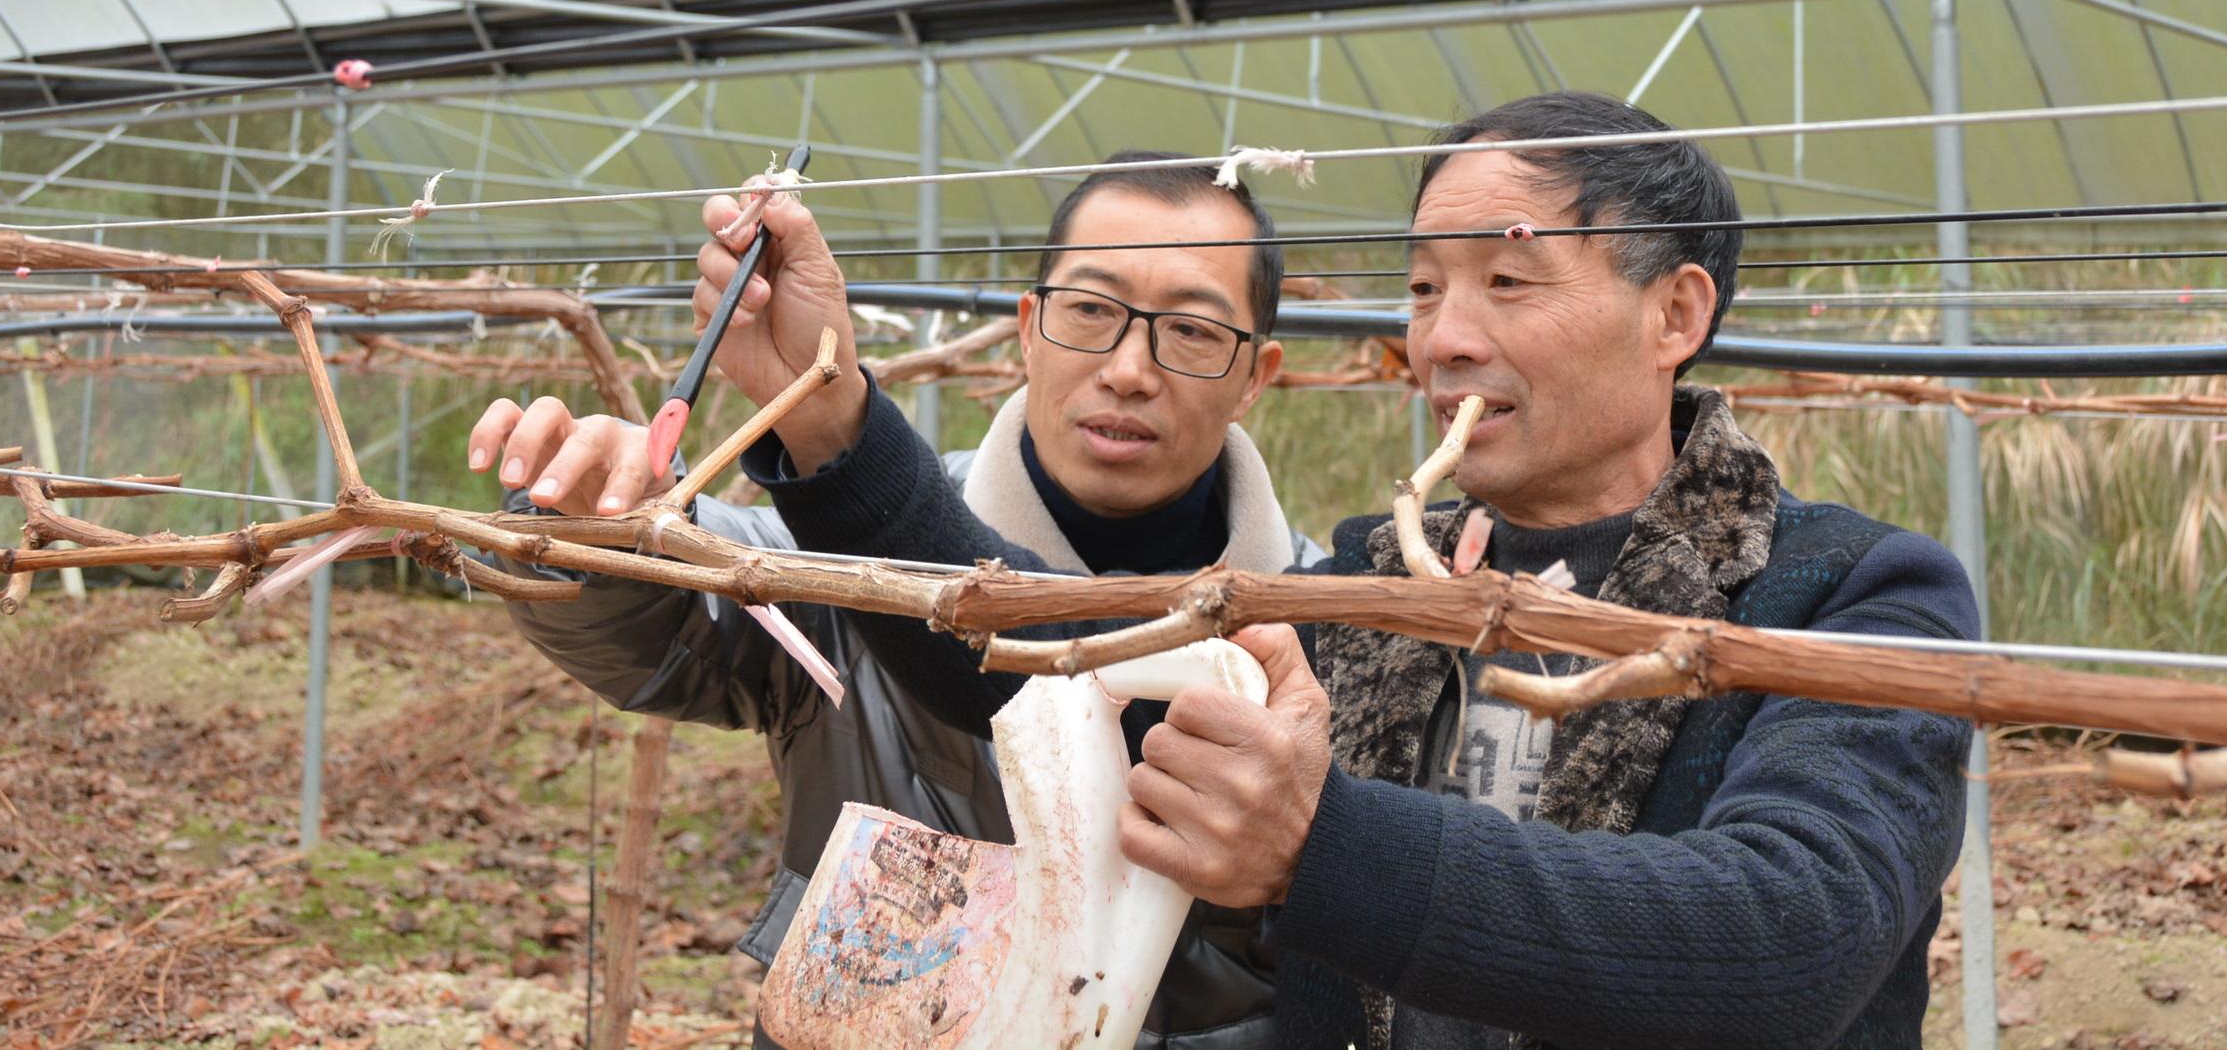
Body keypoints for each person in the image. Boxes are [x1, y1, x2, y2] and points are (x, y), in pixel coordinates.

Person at [638, 89, 1980, 1050]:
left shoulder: (1847, 592)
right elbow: (1065, 695)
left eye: (1507, 285)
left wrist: (1323, 841)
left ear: (1675, 311)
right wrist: (831, 422)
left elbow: (1793, 934)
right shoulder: (1360, 594)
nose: (1446, 339)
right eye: (1421, 290)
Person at [466, 152, 1323, 1050]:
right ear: (1028, 329)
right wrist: (599, 531)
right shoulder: (845, 556)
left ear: (1256, 374)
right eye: (1091, 312)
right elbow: (682, 613)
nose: (1129, 369)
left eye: (1190, 330)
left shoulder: (1329, 635)